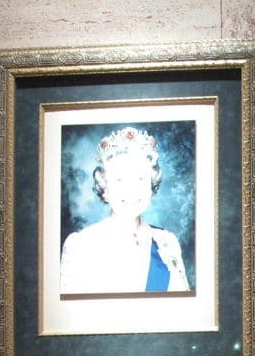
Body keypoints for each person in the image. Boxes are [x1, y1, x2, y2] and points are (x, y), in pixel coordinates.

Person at [59, 127, 191, 296]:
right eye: (120, 179)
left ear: (151, 186)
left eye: (140, 178)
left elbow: (184, 307)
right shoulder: (80, 246)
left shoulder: (167, 242)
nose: (131, 190)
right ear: (105, 190)